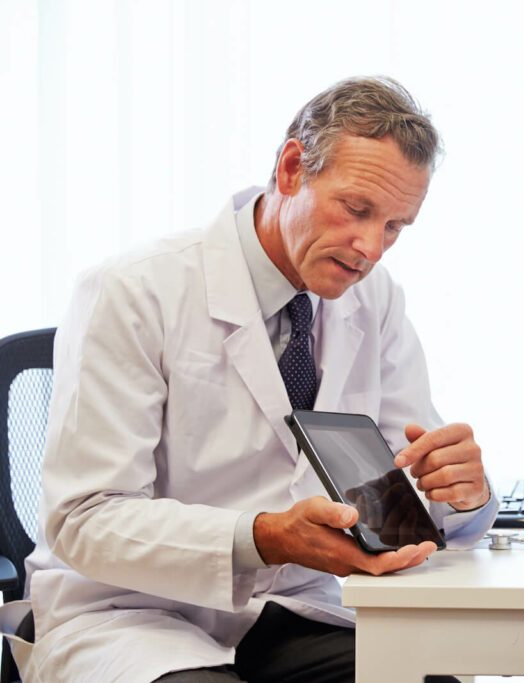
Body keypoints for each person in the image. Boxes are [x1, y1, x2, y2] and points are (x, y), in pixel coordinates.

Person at [16, 77, 497, 682]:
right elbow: (83, 520)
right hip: (135, 615)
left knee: (426, 679)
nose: (372, 247)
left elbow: (401, 484)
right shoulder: (134, 290)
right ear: (293, 168)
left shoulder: (372, 299)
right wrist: (264, 537)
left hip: (294, 608)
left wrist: (461, 494)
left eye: (396, 227)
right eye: (357, 209)